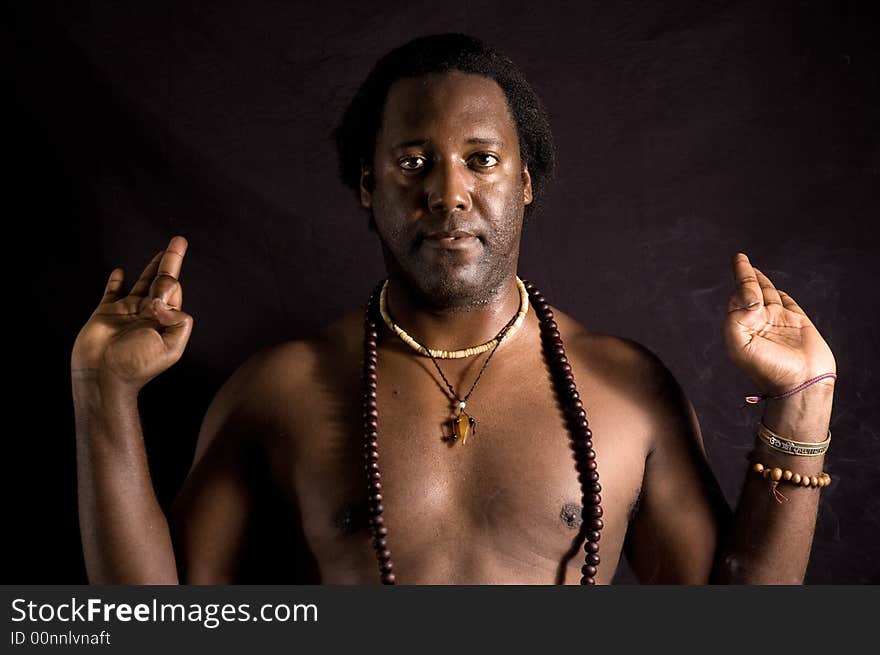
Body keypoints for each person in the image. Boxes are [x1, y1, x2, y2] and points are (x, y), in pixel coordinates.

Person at [70, 33, 836, 585]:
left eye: (481, 158)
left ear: (526, 182)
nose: (447, 192)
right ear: (368, 188)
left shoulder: (626, 387)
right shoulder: (280, 389)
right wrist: (103, 393)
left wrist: (800, 403)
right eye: (411, 162)